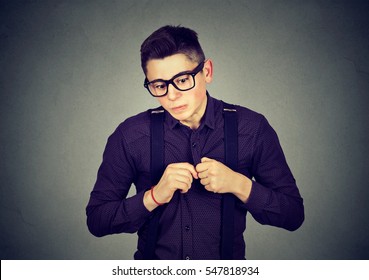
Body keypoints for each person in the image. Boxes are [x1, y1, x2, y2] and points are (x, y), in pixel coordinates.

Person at [86, 25, 304, 260]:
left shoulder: (252, 128)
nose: (171, 95)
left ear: (207, 71)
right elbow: (98, 220)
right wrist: (154, 196)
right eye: (159, 85)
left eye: (182, 80)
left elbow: (292, 215)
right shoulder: (130, 135)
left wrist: (239, 184)